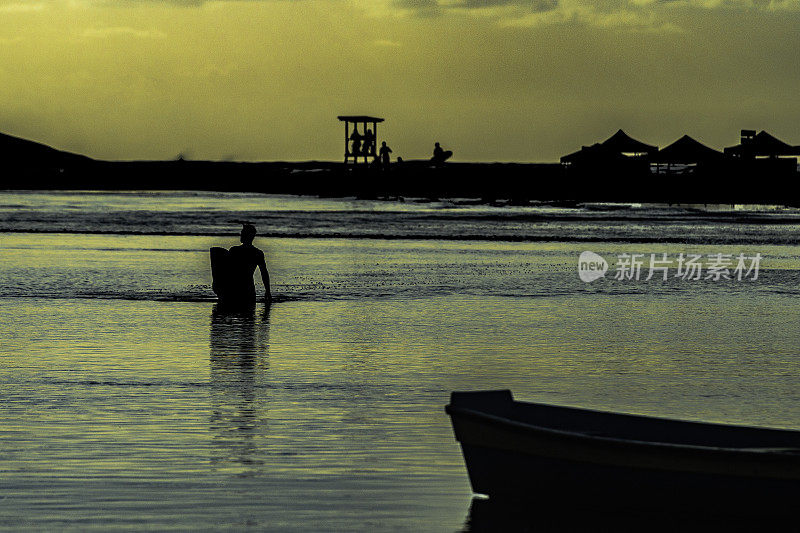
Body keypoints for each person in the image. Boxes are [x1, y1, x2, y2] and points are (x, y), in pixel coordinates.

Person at [225, 223, 271, 305]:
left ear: (249, 236)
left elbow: (225, 270)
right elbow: (264, 273)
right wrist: (268, 291)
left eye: (243, 233)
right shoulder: (258, 253)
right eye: (241, 233)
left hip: (234, 289)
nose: (241, 235)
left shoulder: (234, 251)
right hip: (249, 290)